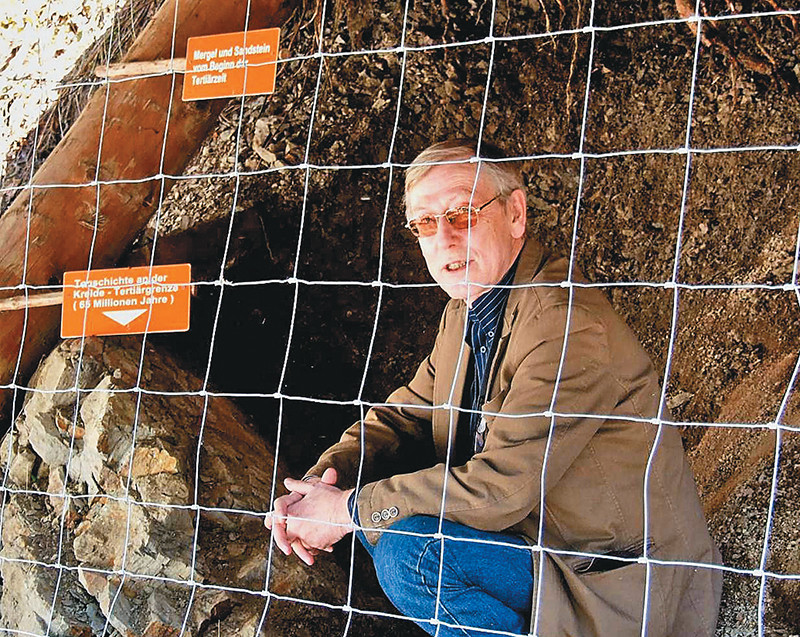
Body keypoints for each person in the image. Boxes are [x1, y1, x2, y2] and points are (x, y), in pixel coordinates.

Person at [266, 139, 722, 636]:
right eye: (425, 223)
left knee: (409, 553)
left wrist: (347, 511)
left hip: (619, 581)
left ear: (516, 214)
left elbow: (505, 486)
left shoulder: (564, 323)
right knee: (385, 520)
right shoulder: (467, 309)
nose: (444, 239)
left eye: (462, 214)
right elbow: (405, 417)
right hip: (540, 548)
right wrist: (320, 486)